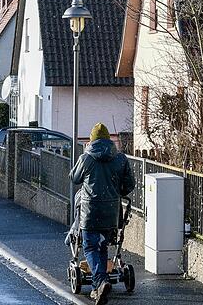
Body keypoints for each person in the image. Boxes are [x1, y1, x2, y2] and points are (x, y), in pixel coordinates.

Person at [69, 123, 135, 305]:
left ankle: (100, 281)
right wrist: (115, 192)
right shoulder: (120, 159)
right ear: (108, 139)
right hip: (111, 213)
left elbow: (74, 178)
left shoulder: (86, 158)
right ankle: (102, 279)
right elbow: (129, 185)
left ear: (92, 140)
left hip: (90, 212)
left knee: (90, 247)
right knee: (103, 245)